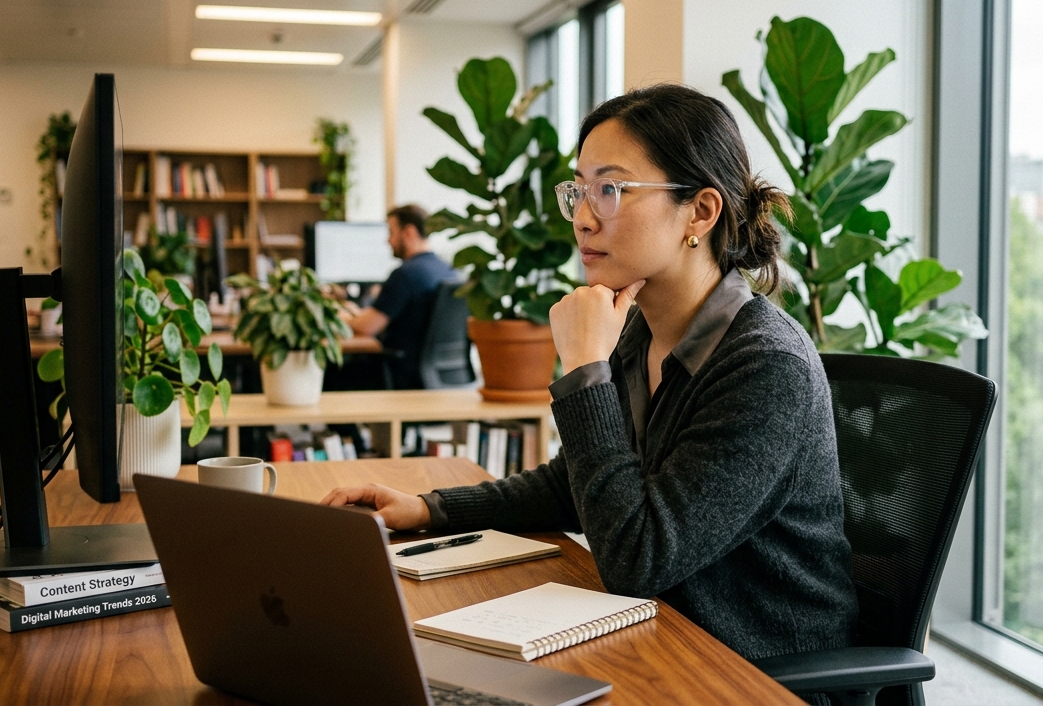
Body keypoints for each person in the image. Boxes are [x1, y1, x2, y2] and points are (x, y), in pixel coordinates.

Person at [322, 84, 858, 661]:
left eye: (611, 189)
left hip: (756, 670)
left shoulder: (765, 366)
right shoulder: (643, 330)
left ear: (700, 211)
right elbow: (569, 485)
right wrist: (429, 508)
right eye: (579, 190)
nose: (582, 218)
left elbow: (638, 558)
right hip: (666, 633)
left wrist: (585, 369)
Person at [343, 204, 455, 390]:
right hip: (442, 379)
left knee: (330, 373)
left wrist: (343, 318)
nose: (388, 241)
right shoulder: (449, 270)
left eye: (391, 232)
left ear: (409, 232)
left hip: (400, 376)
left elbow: (366, 328)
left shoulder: (406, 275)